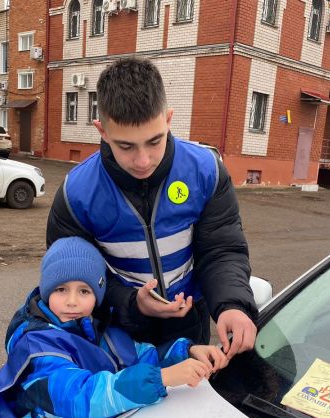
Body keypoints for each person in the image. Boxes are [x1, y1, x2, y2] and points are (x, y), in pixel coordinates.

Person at [47, 57, 257, 360]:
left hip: (189, 323)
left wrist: (231, 304)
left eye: (154, 141)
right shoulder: (76, 193)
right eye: (126, 146)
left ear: (168, 119)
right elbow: (71, 276)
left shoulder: (206, 171)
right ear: (101, 131)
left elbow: (222, 249)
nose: (143, 161)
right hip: (119, 329)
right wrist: (132, 302)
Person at [0, 237, 226, 418]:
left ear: (98, 294)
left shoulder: (98, 326)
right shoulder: (36, 347)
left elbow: (140, 355)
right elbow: (81, 395)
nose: (72, 301)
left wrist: (186, 352)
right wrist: (162, 378)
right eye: (60, 289)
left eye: (84, 291)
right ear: (46, 291)